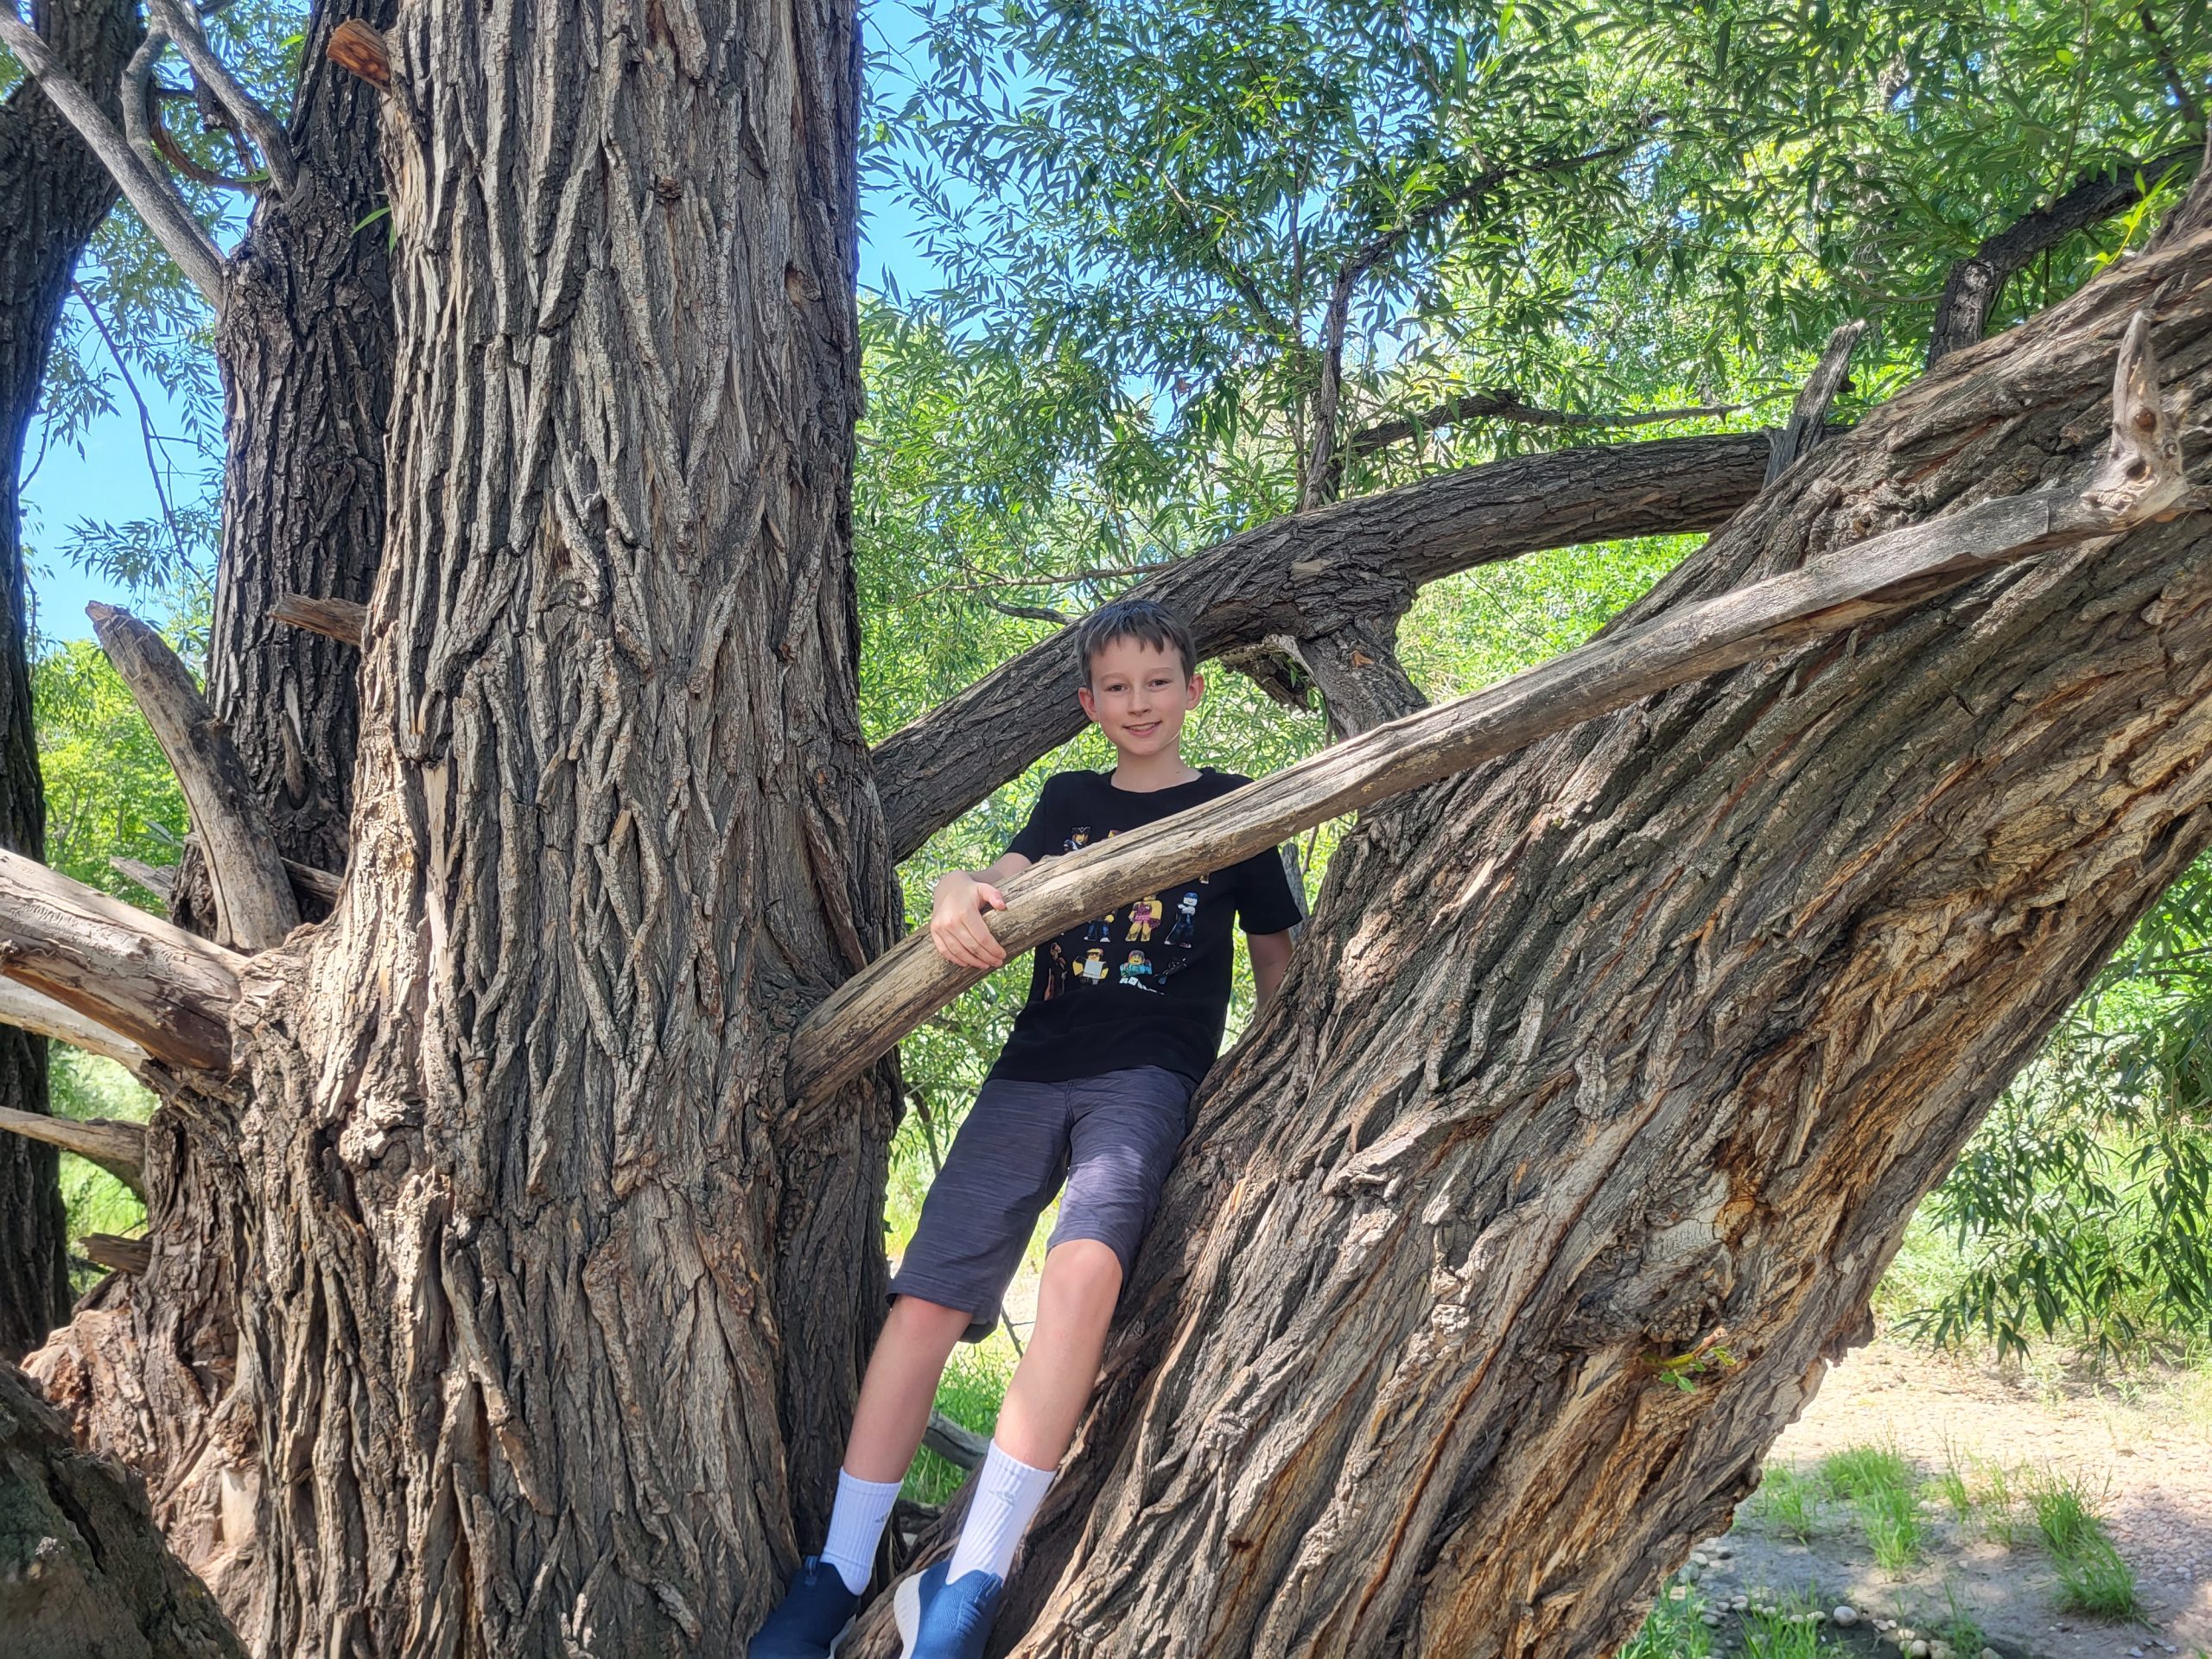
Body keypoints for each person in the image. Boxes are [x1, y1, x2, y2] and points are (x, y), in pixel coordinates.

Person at [747, 597, 1303, 1659]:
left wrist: (1281, 1074)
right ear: (1089, 705)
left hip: (1147, 1079)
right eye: (1117, 688)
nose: (1139, 703)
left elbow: (1280, 959)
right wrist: (956, 887)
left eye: (1158, 682)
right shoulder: (1069, 800)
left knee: (1082, 1276)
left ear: (1193, 690)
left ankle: (971, 1580)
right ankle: (837, 1573)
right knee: (927, 1298)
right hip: (1030, 1074)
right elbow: (997, 884)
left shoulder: (1238, 804)